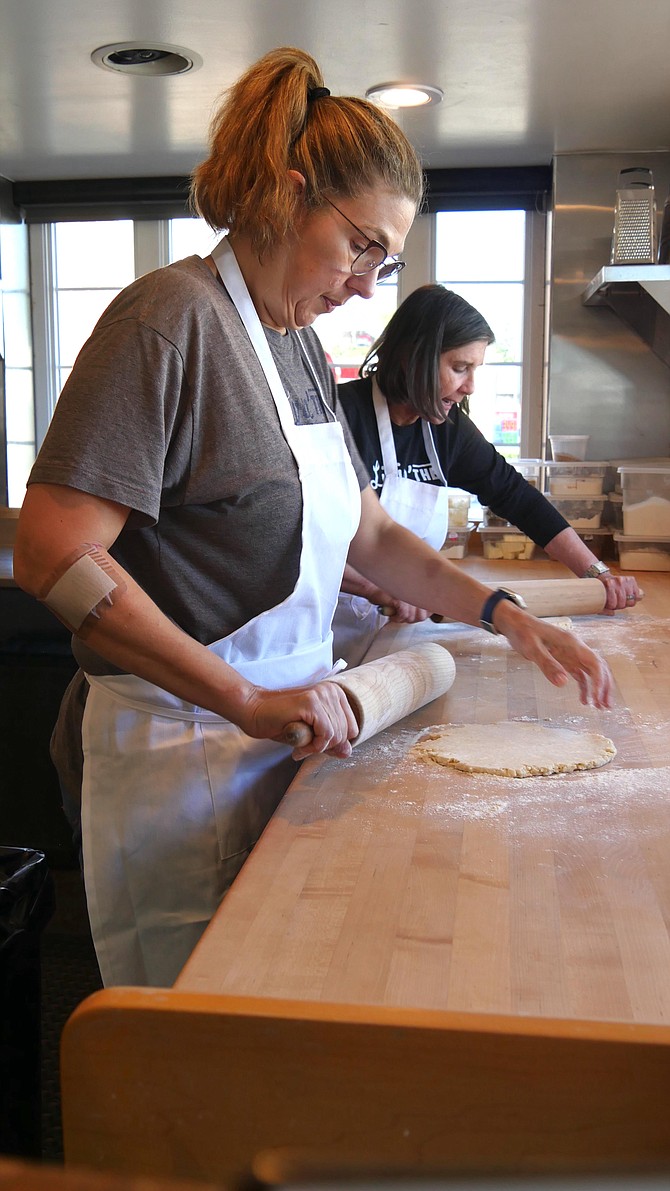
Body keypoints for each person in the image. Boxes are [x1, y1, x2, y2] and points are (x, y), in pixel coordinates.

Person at [14, 48, 612, 990]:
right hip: (188, 749)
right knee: (192, 1040)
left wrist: (504, 612)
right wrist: (242, 699)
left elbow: (369, 534)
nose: (370, 283)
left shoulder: (290, 340)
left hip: (290, 732)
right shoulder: (169, 322)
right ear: (291, 194)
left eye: (389, 258)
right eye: (363, 246)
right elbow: (54, 551)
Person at [334, 284, 642, 667]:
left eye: (474, 370)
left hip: (396, 629)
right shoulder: (339, 418)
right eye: (459, 368)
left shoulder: (447, 430)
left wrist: (596, 573)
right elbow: (302, 541)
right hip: (328, 628)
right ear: (414, 358)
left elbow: (516, 496)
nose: (470, 387)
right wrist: (382, 588)